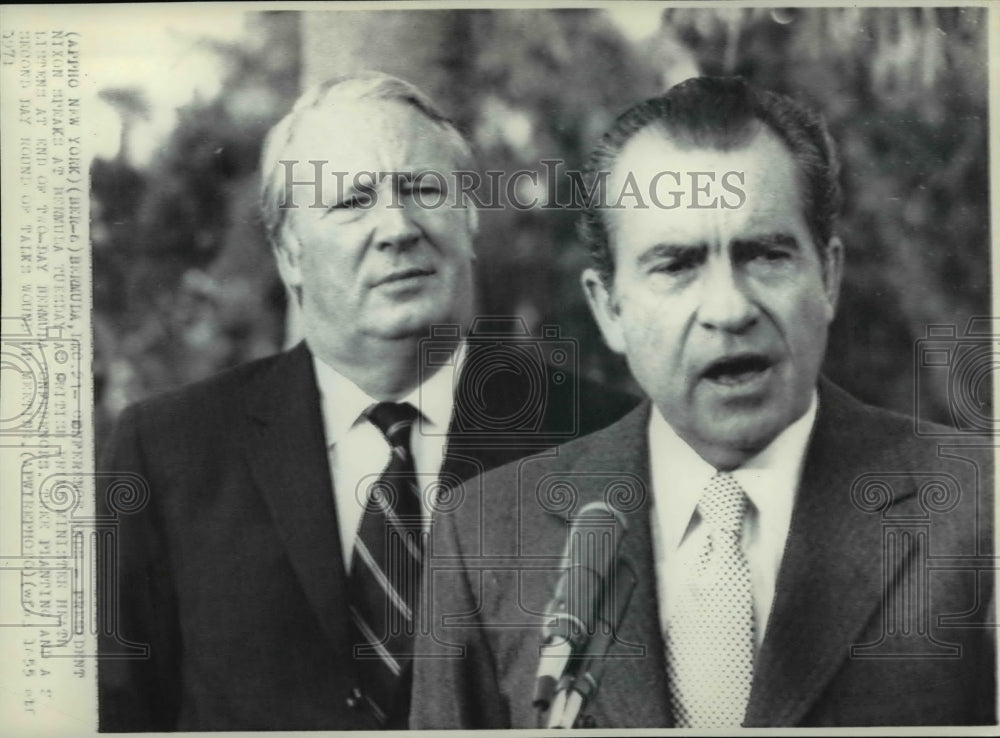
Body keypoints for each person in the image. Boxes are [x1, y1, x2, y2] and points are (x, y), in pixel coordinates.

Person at [411, 76, 995, 729]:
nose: (729, 309)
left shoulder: (978, 508)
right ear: (609, 308)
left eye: (766, 254)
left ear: (827, 276)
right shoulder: (486, 535)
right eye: (677, 265)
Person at [96, 72, 637, 731]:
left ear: (468, 217)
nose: (398, 228)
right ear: (290, 252)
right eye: (353, 200)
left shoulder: (599, 436)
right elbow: (120, 717)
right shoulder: (169, 451)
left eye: (422, 189)